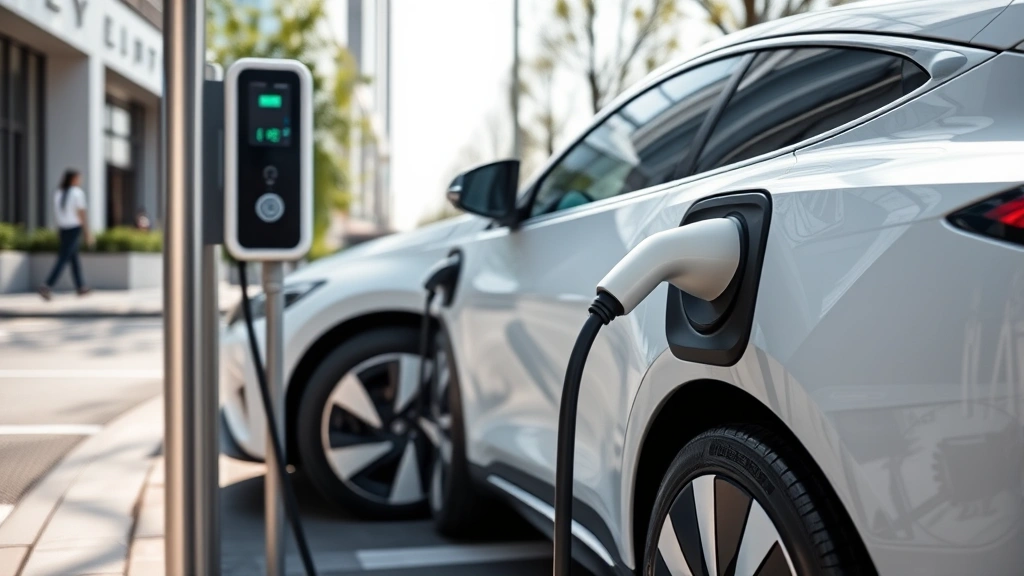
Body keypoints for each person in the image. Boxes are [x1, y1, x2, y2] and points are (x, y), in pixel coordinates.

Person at [38, 169, 92, 300]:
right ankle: (47, 285)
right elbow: (81, 213)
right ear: (73, 179)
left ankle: (81, 287)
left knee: (73, 258)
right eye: (78, 178)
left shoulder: (58, 193)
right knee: (63, 258)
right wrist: (87, 232)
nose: (80, 181)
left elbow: (57, 215)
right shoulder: (77, 193)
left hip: (63, 229)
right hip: (73, 228)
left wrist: (58, 230)